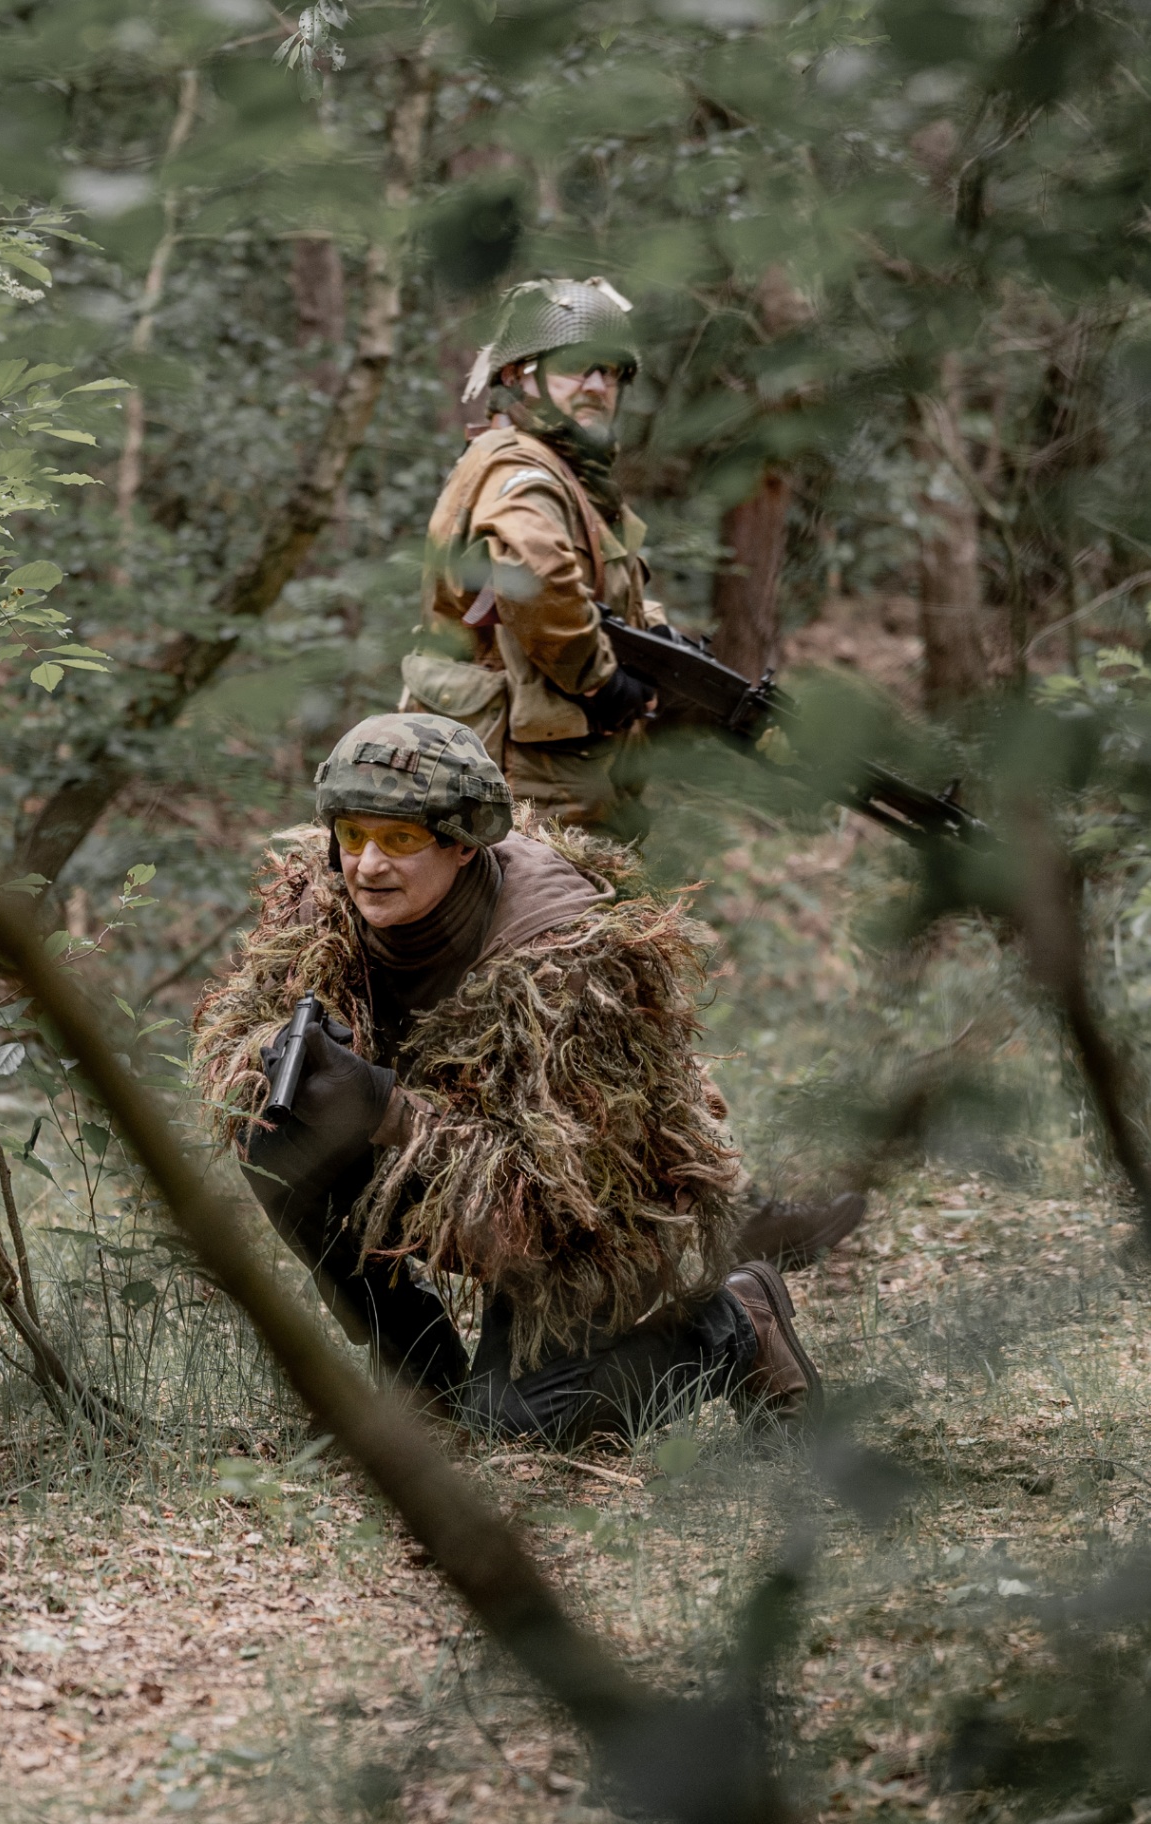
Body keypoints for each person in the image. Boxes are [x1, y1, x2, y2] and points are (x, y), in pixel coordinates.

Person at [194, 712, 852, 1443]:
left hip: (599, 1224)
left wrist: (381, 1106)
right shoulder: (324, 912)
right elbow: (243, 1032)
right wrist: (275, 1056)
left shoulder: (566, 957)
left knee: (522, 1430)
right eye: (352, 835)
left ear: (463, 841)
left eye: (400, 839)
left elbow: (560, 1193)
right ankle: (425, 1385)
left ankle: (734, 1324)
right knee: (271, 1130)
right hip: (466, 1192)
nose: (368, 865)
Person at [401, 275, 662, 838]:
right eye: (577, 366)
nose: (597, 385)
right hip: (528, 770)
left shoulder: (573, 477)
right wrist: (601, 680)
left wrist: (664, 654)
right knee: (550, 911)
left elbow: (614, 587)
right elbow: (535, 571)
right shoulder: (519, 465)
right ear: (522, 375)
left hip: (557, 760)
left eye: (610, 371)